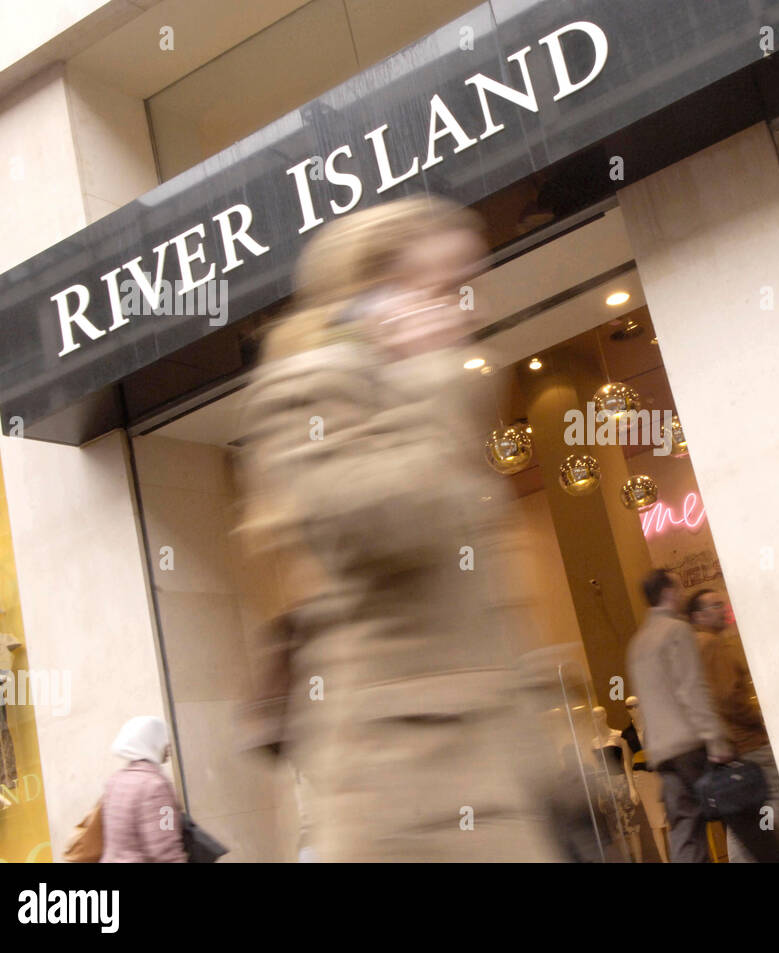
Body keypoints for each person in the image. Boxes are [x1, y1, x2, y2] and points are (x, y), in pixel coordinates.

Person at [237, 197, 559, 862]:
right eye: (446, 287)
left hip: (485, 774)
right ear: (374, 295)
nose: (470, 308)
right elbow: (375, 526)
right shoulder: (310, 389)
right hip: (398, 787)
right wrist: (430, 381)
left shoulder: (428, 399)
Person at [625, 569, 779, 863]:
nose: (680, 595)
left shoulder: (638, 644)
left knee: (686, 831)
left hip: (663, 754)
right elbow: (691, 689)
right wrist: (716, 740)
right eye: (677, 588)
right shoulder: (677, 631)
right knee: (745, 817)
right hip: (692, 745)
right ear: (668, 593)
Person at [686, 587, 779, 861]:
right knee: (775, 806)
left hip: (726, 745)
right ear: (697, 616)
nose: (721, 609)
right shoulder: (711, 644)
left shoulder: (691, 648)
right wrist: (759, 721)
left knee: (745, 814)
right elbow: (727, 696)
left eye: (721, 604)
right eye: (713, 606)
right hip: (748, 741)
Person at [100, 716, 187, 863]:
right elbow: (165, 848)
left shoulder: (116, 781)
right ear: (151, 742)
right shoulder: (155, 787)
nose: (168, 747)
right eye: (163, 740)